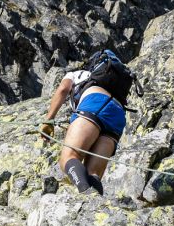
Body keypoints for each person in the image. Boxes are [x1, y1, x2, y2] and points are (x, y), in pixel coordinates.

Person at [40, 50, 132, 195]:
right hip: (117, 114)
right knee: (93, 173)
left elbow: (63, 89)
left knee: (69, 157)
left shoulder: (77, 74)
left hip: (94, 104)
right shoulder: (115, 84)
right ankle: (95, 201)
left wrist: (48, 120)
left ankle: (85, 193)